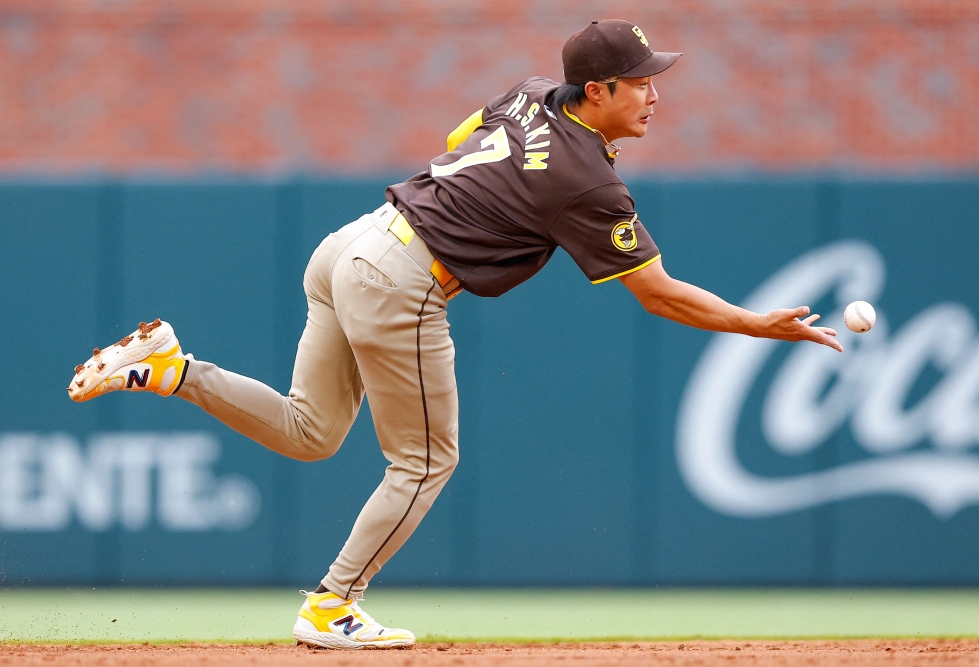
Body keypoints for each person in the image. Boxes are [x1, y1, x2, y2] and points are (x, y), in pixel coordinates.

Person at [68, 20, 842, 650]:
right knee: (427, 459)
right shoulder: (589, 183)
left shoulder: (532, 93)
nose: (653, 95)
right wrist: (755, 322)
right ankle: (333, 604)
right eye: (641, 82)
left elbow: (461, 135)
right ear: (598, 89)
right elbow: (658, 295)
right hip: (403, 279)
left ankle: (173, 368)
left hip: (354, 243)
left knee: (311, 432)